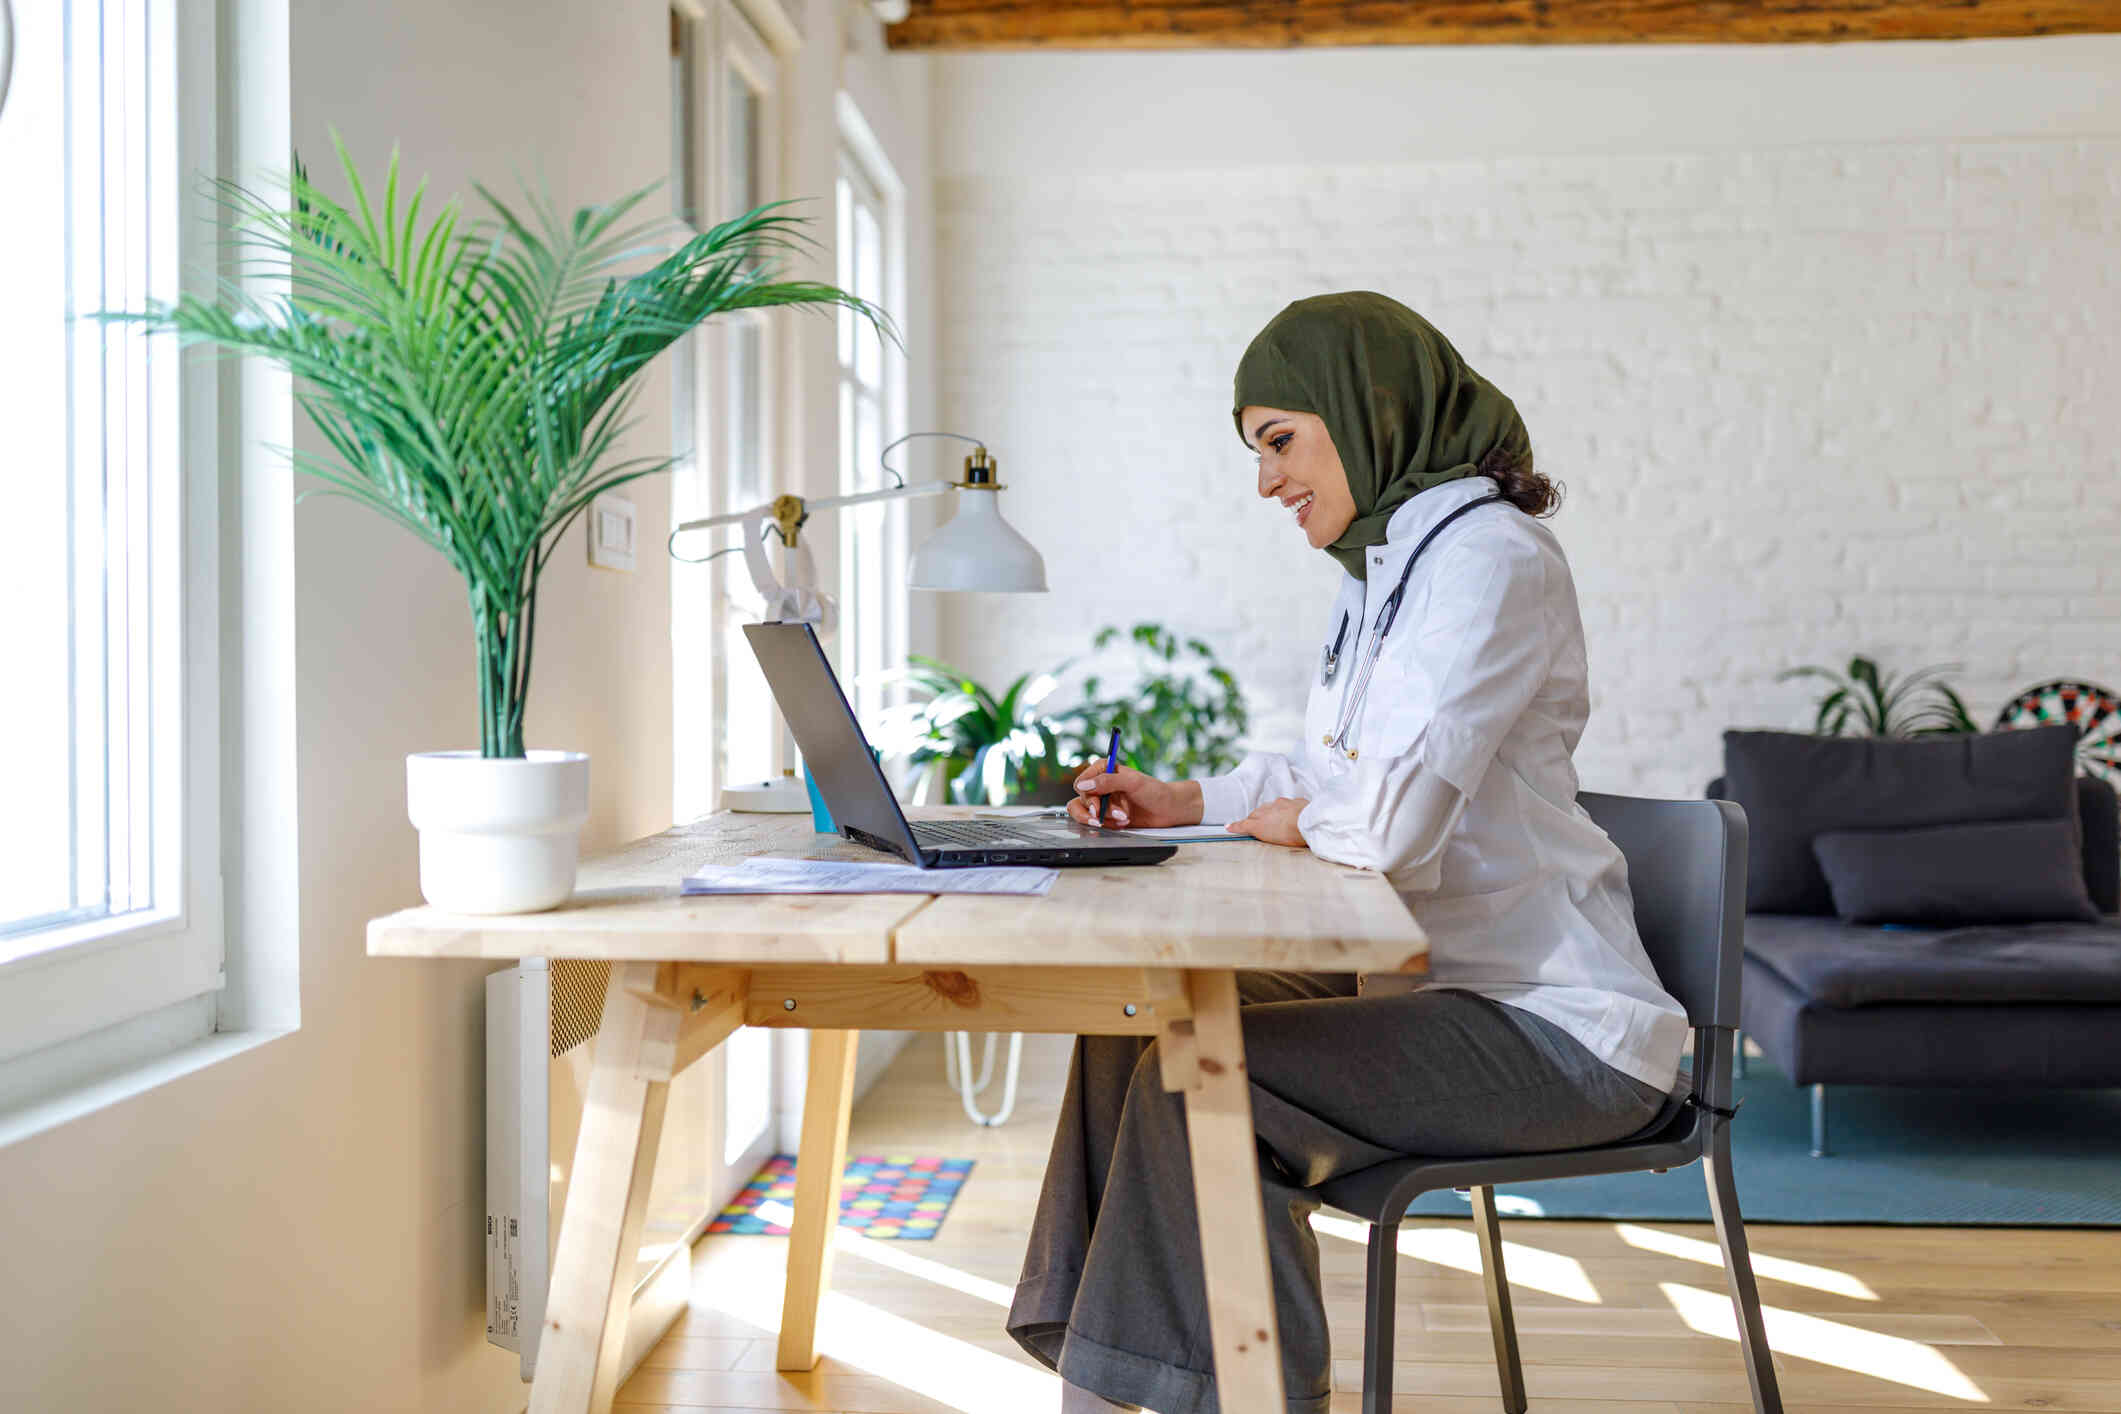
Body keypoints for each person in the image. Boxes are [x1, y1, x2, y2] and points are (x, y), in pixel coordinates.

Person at [1005, 292, 1689, 1414]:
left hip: (1560, 1031)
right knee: (1136, 1022)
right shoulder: (1388, 574)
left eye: (1280, 440)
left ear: (1370, 412)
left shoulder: (1490, 561)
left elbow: (1386, 825)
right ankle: (1116, 1380)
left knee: (1200, 1077)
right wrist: (1184, 798)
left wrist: (1307, 813)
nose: (1266, 480)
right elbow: (1334, 779)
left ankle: (1203, 1398)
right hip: (1434, 991)